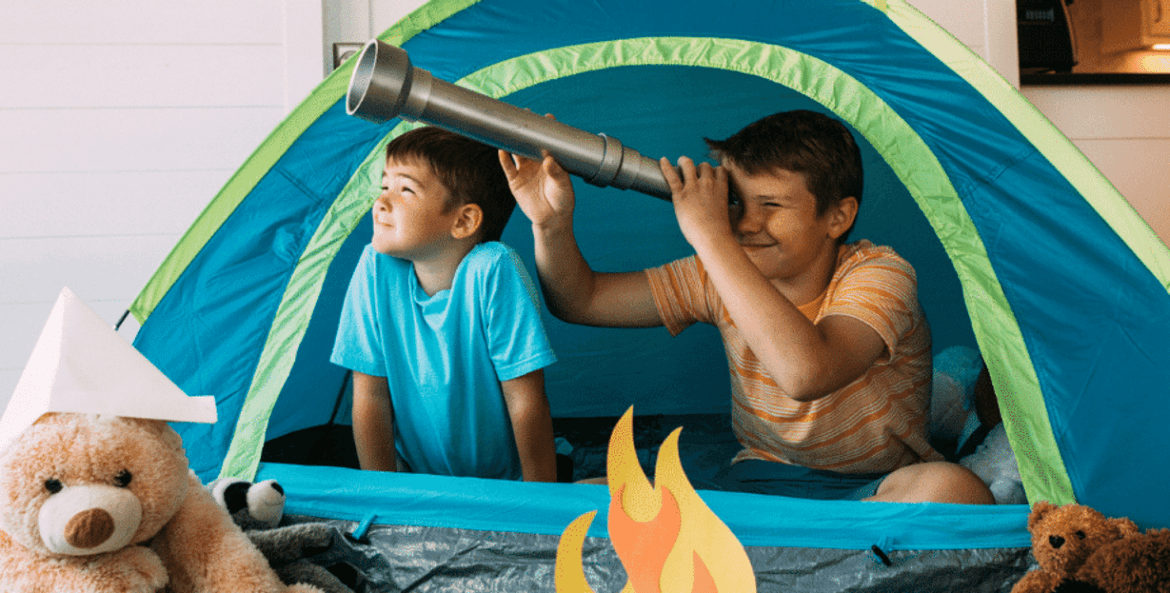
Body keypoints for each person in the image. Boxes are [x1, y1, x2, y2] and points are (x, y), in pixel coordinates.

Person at [499, 110, 993, 503]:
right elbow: (579, 300)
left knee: (953, 490)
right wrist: (550, 224)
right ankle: (798, 551)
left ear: (838, 217)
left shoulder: (879, 273)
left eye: (772, 206)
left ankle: (801, 549)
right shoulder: (721, 268)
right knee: (591, 498)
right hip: (756, 483)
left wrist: (712, 237)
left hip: (869, 490)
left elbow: (807, 374)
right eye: (736, 203)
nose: (747, 223)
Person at [331, 126, 558, 482]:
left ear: (463, 220)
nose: (382, 202)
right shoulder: (375, 268)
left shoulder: (492, 269)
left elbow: (525, 399)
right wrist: (382, 492)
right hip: (418, 476)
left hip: (506, 480)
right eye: (384, 186)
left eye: (405, 189)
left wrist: (542, 499)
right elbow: (370, 395)